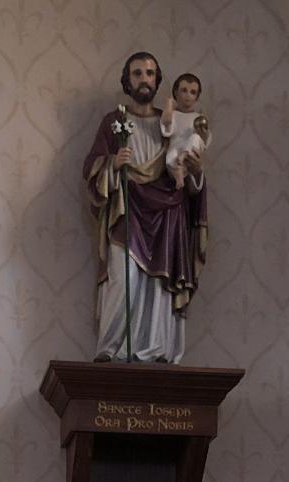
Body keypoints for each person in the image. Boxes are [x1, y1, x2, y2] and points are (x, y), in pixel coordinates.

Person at [83, 52, 208, 363]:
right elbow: (91, 169)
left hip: (168, 213)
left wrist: (195, 170)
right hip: (127, 212)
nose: (144, 79)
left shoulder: (173, 122)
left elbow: (190, 176)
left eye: (150, 73)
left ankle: (154, 351)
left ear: (157, 80)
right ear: (128, 80)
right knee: (122, 280)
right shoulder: (115, 122)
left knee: (159, 288)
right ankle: (111, 351)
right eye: (137, 73)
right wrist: (112, 163)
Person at [162, 72, 211, 189]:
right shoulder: (173, 115)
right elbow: (166, 124)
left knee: (195, 138)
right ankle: (178, 174)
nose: (188, 95)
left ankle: (184, 156)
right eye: (184, 90)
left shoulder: (197, 117)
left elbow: (204, 139)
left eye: (193, 92)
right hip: (176, 146)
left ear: (197, 97)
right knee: (170, 157)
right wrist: (169, 106)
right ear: (176, 93)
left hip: (190, 151)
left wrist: (203, 133)